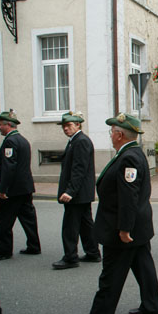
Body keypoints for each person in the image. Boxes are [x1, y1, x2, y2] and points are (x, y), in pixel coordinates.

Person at [77, 113, 158, 314]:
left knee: (111, 273)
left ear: (118, 135)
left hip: (123, 228)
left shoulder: (129, 157)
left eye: (111, 132)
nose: (110, 135)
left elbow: (128, 197)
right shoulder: (132, 153)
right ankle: (152, 306)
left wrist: (124, 229)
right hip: (138, 226)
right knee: (144, 267)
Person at [53, 111, 100, 270]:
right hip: (81, 193)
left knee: (70, 226)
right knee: (86, 224)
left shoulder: (80, 141)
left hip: (77, 194)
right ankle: (93, 252)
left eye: (68, 126)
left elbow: (79, 169)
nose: (65, 129)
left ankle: (70, 257)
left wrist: (70, 191)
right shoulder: (76, 140)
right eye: (64, 126)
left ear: (78, 125)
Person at [0, 110, 41, 261]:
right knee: (28, 218)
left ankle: (3, 251)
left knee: (2, 221)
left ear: (8, 125)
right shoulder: (23, 140)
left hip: (12, 190)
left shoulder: (10, 141)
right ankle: (34, 246)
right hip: (25, 187)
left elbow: (9, 168)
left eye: (0, 125)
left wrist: (3, 189)